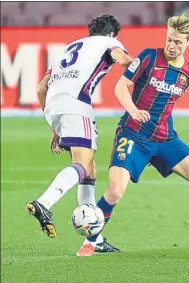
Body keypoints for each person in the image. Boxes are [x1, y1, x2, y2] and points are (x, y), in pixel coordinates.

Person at [80, 13, 189, 256]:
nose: (171, 46)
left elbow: (165, 105)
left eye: (178, 42)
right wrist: (134, 111)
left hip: (164, 138)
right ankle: (90, 242)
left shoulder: (188, 74)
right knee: (115, 191)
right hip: (133, 135)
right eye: (169, 39)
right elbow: (120, 87)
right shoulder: (148, 57)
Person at [26, 15, 134, 255]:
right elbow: (123, 59)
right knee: (83, 166)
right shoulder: (107, 43)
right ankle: (44, 203)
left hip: (54, 106)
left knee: (90, 170)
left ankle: (94, 239)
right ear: (110, 34)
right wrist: (139, 63)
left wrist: (54, 125)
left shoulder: (66, 49)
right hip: (78, 105)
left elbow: (41, 87)